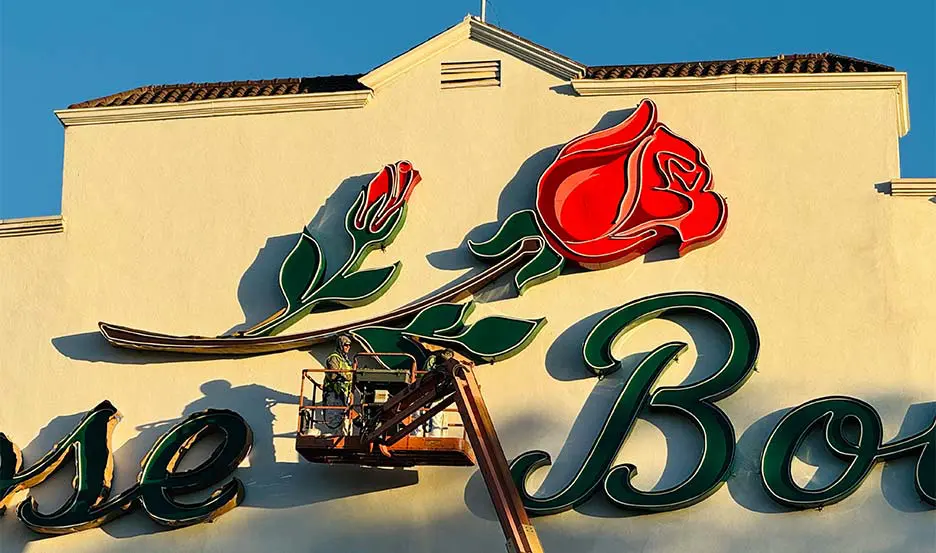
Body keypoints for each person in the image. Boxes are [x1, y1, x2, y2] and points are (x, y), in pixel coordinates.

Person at [322, 334, 355, 434]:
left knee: (344, 420)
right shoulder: (334, 358)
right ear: (340, 345)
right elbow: (333, 374)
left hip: (343, 393)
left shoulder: (345, 360)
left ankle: (344, 438)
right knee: (335, 419)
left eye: (349, 345)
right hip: (334, 393)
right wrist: (347, 376)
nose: (348, 347)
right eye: (346, 345)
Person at [421, 348, 455, 436]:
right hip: (425, 390)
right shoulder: (433, 359)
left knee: (436, 415)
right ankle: (418, 434)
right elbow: (426, 372)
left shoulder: (449, 365)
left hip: (438, 392)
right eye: (447, 354)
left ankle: (434, 436)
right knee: (420, 414)